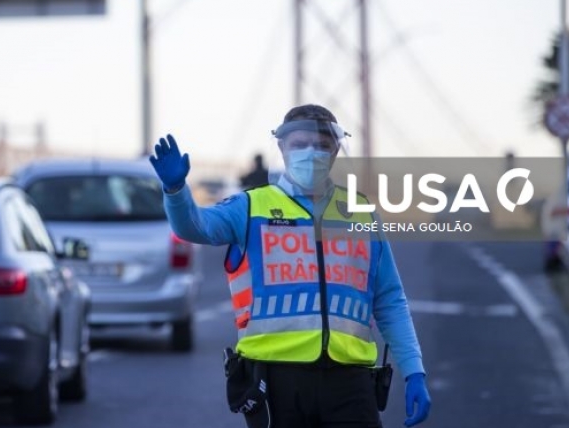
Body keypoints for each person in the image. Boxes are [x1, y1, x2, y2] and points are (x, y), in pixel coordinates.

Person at [148, 104, 431, 428]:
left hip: (350, 383)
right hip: (276, 382)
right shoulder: (251, 206)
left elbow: (389, 299)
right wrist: (176, 192)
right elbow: (195, 227)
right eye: (299, 145)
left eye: (322, 145)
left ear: (336, 150)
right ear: (282, 148)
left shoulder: (361, 213)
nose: (311, 153)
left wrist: (414, 371)